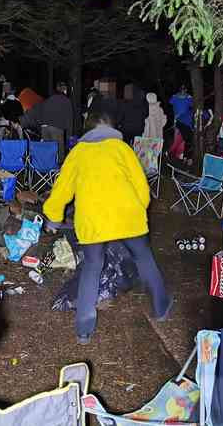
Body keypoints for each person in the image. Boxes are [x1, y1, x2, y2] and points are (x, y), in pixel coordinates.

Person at [43, 112, 172, 344]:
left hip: (93, 223)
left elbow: (61, 190)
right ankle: (161, 307)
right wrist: (139, 209)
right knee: (144, 259)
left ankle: (84, 329)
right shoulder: (122, 149)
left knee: (92, 267)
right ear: (111, 128)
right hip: (129, 218)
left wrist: (53, 217)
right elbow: (141, 187)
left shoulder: (78, 153)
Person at [20, 81, 73, 162]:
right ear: (65, 90)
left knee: (47, 150)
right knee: (58, 152)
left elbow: (40, 110)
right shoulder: (66, 100)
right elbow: (69, 119)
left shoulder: (49, 99)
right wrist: (69, 136)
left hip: (44, 128)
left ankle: (47, 170)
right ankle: (58, 171)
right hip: (57, 128)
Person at [169, 84, 193, 162]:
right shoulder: (174, 97)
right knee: (177, 137)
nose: (183, 91)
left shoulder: (189, 98)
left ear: (186, 90)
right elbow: (172, 106)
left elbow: (192, 106)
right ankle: (171, 153)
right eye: (182, 89)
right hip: (178, 119)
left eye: (184, 89)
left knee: (183, 138)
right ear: (180, 89)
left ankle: (179, 154)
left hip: (186, 120)